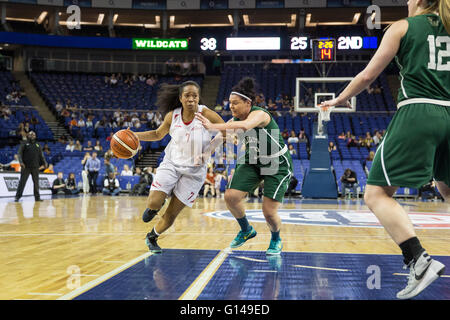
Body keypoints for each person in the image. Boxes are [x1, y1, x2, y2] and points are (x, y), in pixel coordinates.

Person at [320, 0, 449, 299]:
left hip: (419, 111)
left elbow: (368, 76)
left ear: (417, 0)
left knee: (376, 193)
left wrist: (339, 99)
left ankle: (418, 261)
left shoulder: (402, 27)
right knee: (448, 189)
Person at [196, 77, 293, 255]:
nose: (231, 107)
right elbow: (221, 136)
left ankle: (276, 238)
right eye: (230, 103)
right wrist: (205, 154)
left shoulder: (260, 114)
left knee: (268, 212)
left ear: (247, 102)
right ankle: (246, 230)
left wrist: (212, 125)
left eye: (235, 103)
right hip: (253, 159)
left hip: (276, 163)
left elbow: (246, 125)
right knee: (231, 197)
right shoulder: (234, 119)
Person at [129, 80, 225, 253]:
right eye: (187, 95)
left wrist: (207, 151)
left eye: (194, 96)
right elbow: (158, 134)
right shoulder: (172, 116)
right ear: (180, 98)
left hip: (194, 172)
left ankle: (152, 236)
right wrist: (134, 135)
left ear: (198, 98)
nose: (191, 99)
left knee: (171, 215)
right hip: (172, 164)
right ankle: (155, 206)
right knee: (153, 202)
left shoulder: (207, 114)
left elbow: (225, 131)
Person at [14, 131, 47, 202]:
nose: (32, 135)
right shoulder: (24, 143)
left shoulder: (38, 144)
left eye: (34, 135)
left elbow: (41, 155)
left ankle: (37, 198)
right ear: (28, 135)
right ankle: (17, 196)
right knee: (22, 182)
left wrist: (44, 162)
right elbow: (19, 154)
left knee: (36, 183)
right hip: (26, 167)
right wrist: (21, 162)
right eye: (31, 134)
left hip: (35, 167)